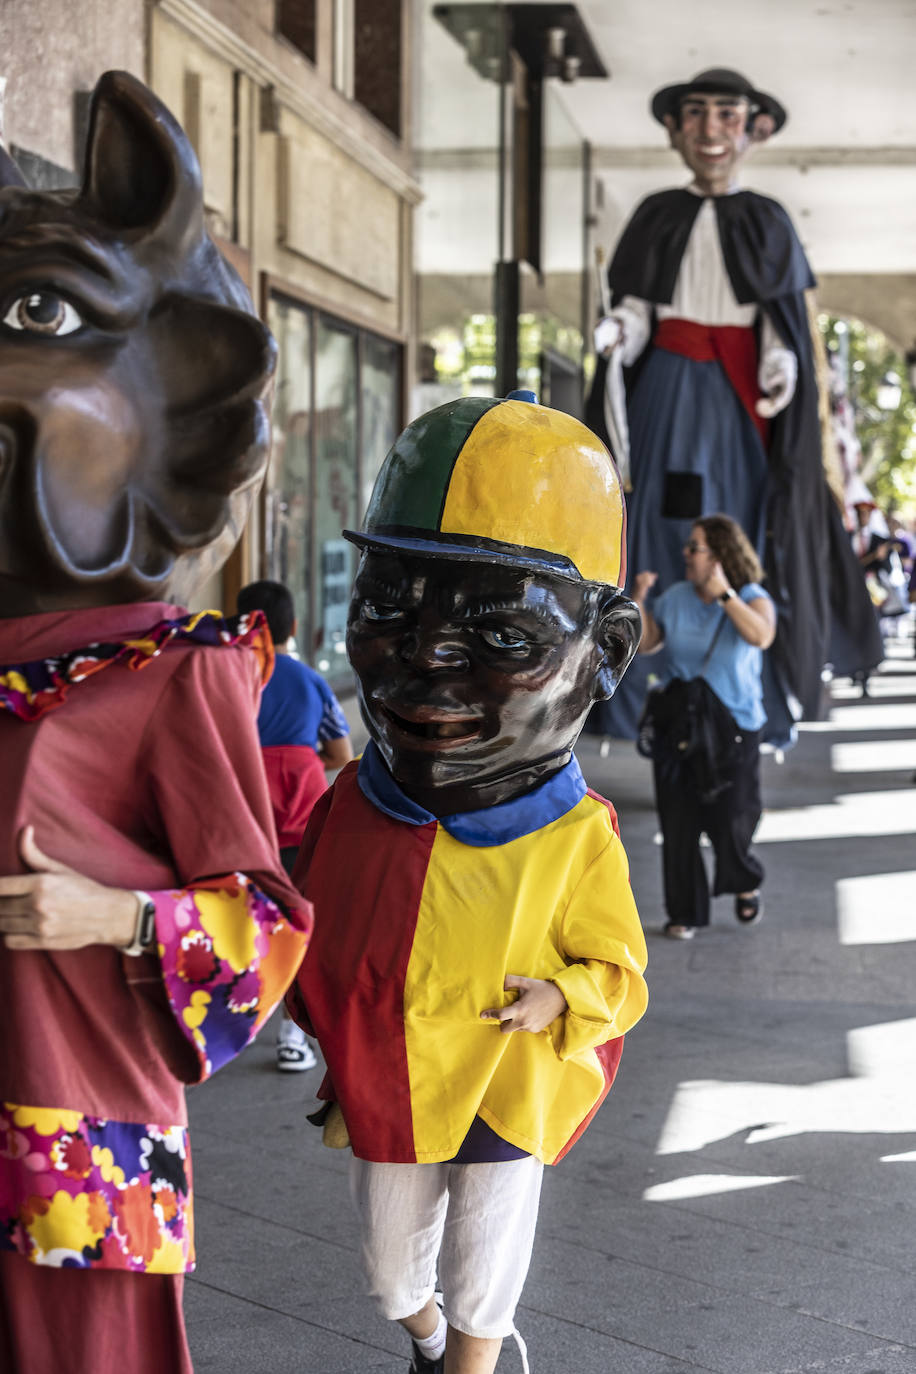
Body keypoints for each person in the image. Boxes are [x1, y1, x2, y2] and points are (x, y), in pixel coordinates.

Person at [0, 73, 311, 1373]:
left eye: (36, 315)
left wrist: (120, 913)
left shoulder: (175, 669)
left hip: (76, 1153)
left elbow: (267, 930)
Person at [287, 394, 649, 1374]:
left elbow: (620, 972)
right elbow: (290, 928)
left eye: (499, 636)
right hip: (392, 1076)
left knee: (486, 1263)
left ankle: (474, 1360)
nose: (427, 656)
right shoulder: (353, 808)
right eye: (390, 610)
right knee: (390, 1276)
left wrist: (562, 995)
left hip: (506, 1075)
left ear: (603, 652)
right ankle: (431, 1340)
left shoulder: (575, 834)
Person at [586, 67, 882, 742]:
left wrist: (780, 370)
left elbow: (780, 328)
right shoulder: (656, 215)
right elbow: (635, 308)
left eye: (728, 115)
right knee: (651, 528)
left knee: (738, 535)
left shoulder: (768, 220)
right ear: (674, 127)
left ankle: (745, 699)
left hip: (737, 404)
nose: (711, 130)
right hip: (664, 391)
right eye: (696, 114)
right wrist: (615, 334)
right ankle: (632, 698)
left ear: (756, 129)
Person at [633, 513, 775, 939]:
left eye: (695, 548)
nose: (686, 554)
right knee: (678, 821)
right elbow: (649, 643)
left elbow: (761, 636)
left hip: (733, 728)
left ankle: (744, 878)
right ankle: (685, 910)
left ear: (720, 556)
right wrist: (639, 600)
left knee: (733, 818)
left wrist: (726, 596)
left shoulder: (751, 596)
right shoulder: (675, 597)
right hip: (680, 725)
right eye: (688, 547)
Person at [236, 579, 353, 1071]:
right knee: (301, 924)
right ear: (295, 626)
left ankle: (235, 1019)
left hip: (243, 826)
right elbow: (341, 753)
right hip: (302, 825)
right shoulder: (311, 682)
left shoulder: (230, 680)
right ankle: (291, 1035)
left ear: (240, 623)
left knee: (246, 920)